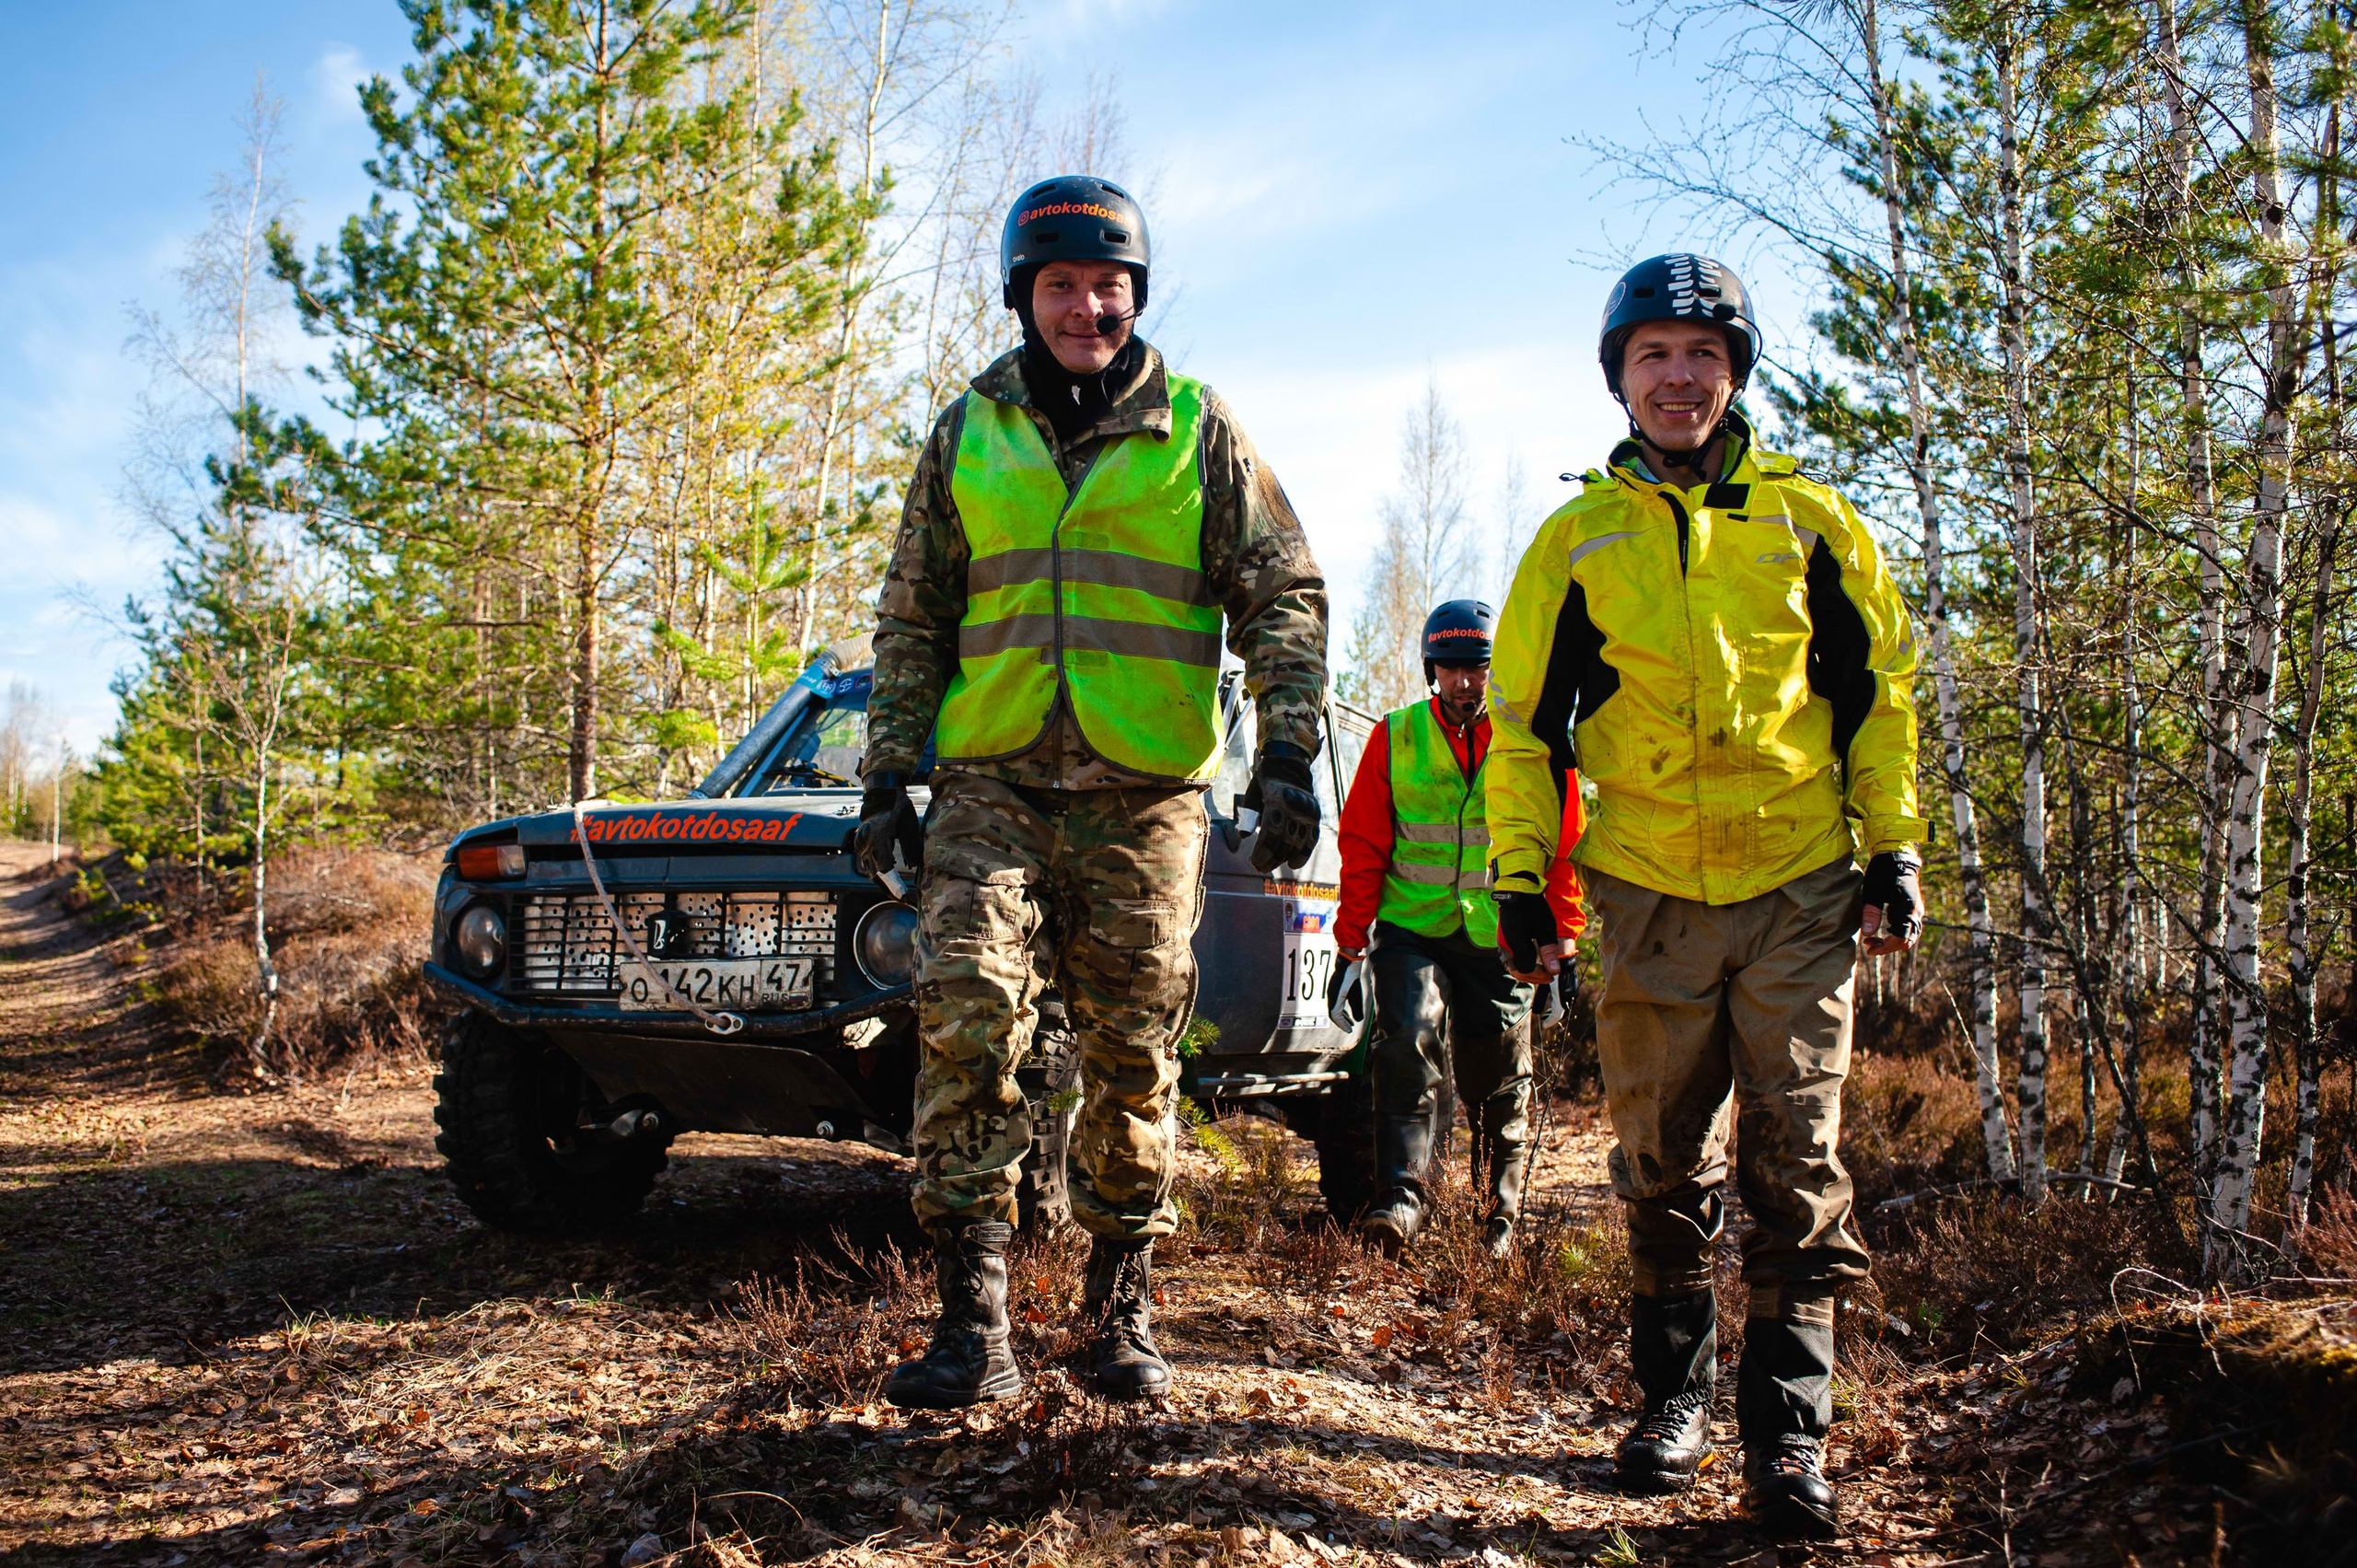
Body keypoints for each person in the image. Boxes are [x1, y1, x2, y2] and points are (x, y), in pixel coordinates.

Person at [855, 174, 1329, 1409]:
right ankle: (973, 1325)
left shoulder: (1197, 428)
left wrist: (1286, 752)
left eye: (1108, 284)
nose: (1086, 307)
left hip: (1144, 793)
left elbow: (1281, 591)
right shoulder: (967, 430)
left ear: (1138, 294)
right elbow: (914, 613)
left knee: (1132, 1048)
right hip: (991, 781)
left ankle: (1119, 1313)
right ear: (1024, 296)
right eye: (1060, 284)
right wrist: (887, 774)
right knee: (966, 1021)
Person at [1484, 253, 1925, 1539]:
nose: (1678, 377)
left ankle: (1788, 1439)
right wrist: (1523, 877)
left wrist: (1894, 848)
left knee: (1798, 1160)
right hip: (1649, 894)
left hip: (1799, 885)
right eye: (1653, 356)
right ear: (1617, 376)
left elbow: (1876, 697)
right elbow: (1526, 729)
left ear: (1736, 371)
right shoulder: (1576, 542)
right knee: (1660, 1160)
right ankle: (1670, 1400)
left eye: (1702, 354)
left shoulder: (1811, 522)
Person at [1328, 600, 1585, 1260]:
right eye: (1451, 668)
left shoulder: (1530, 740)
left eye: (1478, 668)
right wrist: (1350, 946)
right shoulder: (1395, 736)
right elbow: (1362, 846)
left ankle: (1496, 1222)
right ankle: (1401, 1198)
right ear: (1431, 670)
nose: (1465, 682)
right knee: (1406, 1043)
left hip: (1501, 932)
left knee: (1497, 1077)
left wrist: (1564, 940)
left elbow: (1562, 845)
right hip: (1411, 927)